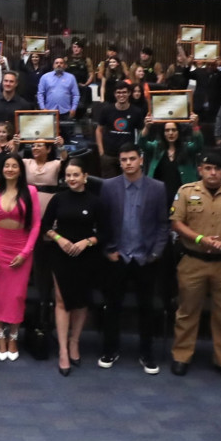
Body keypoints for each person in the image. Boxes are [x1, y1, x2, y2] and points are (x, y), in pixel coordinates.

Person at [169, 149, 221, 380]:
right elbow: (176, 222)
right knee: (187, 312)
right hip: (193, 261)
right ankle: (181, 356)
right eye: (208, 168)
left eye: (217, 169)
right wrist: (199, 239)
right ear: (200, 170)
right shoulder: (186, 192)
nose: (213, 173)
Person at [97, 142, 168, 372]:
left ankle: (146, 354)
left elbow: (162, 225)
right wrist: (107, 250)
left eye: (131, 159)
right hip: (117, 257)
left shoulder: (157, 188)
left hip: (144, 257)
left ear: (141, 160)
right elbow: (102, 222)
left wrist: (156, 253)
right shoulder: (108, 186)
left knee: (146, 309)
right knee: (112, 306)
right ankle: (110, 350)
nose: (128, 163)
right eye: (123, 160)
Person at [37, 155, 101, 376]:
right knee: (62, 299)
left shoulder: (95, 200)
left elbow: (104, 231)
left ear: (85, 177)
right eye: (68, 175)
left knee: (81, 301)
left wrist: (87, 242)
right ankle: (63, 350)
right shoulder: (59, 199)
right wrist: (59, 239)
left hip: (86, 256)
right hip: (60, 254)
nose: (71, 179)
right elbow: (44, 225)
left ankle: (75, 342)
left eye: (76, 175)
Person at [0, 155, 40, 361]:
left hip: (20, 249)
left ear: (21, 170)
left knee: (17, 295)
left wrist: (25, 253)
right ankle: (0, 337)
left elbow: (36, 225)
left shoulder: (30, 191)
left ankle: (13, 337)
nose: (10, 169)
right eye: (7, 165)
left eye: (15, 166)